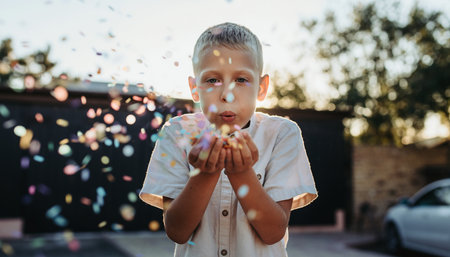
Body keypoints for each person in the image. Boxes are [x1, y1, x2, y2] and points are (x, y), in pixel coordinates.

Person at [140, 22, 317, 257]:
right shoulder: (177, 132)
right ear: (195, 88)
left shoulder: (282, 134)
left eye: (241, 80)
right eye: (212, 80)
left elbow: (273, 231)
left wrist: (242, 174)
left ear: (262, 87)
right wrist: (204, 174)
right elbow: (177, 231)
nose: (227, 94)